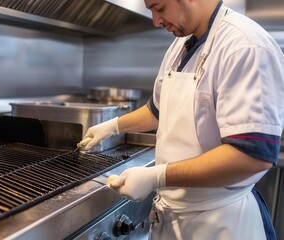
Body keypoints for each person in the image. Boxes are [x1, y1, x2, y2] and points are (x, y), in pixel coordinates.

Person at [78, 0, 284, 239]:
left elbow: (252, 157)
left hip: (219, 223)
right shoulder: (180, 45)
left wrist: (158, 175)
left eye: (159, 8)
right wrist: (113, 126)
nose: (156, 20)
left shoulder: (245, 46)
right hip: (172, 219)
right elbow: (157, 110)